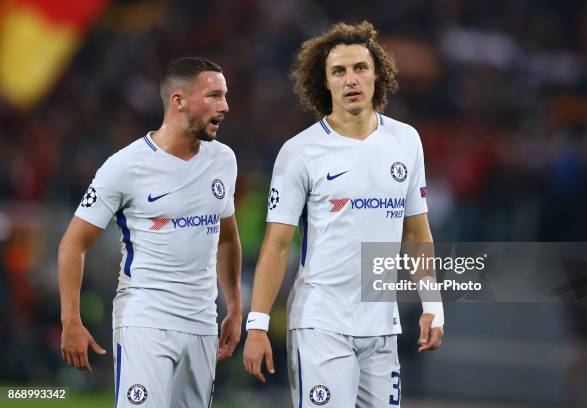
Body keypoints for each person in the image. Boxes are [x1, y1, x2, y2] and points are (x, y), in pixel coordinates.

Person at [243, 22, 444, 407]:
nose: (351, 79)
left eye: (360, 68)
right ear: (325, 82)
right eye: (339, 71)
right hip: (321, 324)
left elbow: (418, 234)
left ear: (377, 75)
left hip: (381, 327)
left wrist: (432, 305)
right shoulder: (300, 152)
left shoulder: (405, 141)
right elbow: (277, 244)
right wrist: (258, 325)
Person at [58, 57, 242, 407]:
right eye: (214, 96)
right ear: (179, 101)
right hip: (145, 319)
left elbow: (228, 237)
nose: (225, 106)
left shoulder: (224, 160)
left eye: (225, 96)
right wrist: (71, 320)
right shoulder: (125, 166)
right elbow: (73, 244)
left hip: (202, 323)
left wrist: (234, 305)